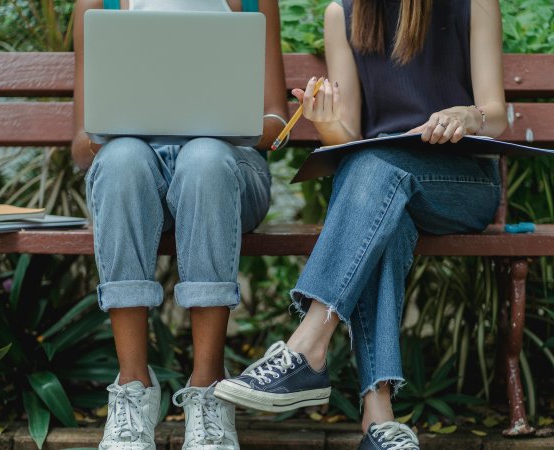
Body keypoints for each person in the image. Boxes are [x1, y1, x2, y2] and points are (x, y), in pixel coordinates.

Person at [214, 0, 507, 448]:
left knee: (374, 166)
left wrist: (469, 115)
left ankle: (307, 347)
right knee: (382, 204)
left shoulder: (473, 3)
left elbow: (498, 115)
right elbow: (348, 136)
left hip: (459, 182)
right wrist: (328, 123)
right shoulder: (343, 13)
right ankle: (378, 421)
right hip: (384, 191)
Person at [71, 1, 287, 449]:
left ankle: (208, 392)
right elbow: (80, 145)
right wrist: (124, 126)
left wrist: (221, 126)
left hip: (228, 173)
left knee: (204, 158)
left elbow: (275, 119)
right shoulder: (101, 4)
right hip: (137, 177)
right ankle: (133, 390)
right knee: (123, 161)